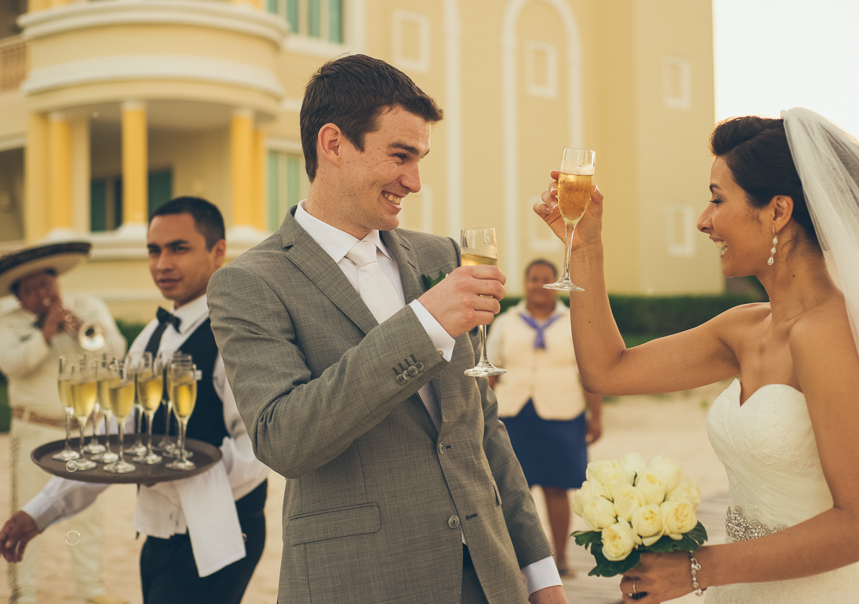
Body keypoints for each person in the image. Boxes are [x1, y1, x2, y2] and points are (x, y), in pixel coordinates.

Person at [534, 108, 859, 603]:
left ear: (777, 211)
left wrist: (695, 569)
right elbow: (606, 369)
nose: (704, 222)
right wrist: (586, 244)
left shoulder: (828, 334)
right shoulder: (744, 328)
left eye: (716, 199)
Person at [207, 54, 567, 604]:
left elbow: (483, 427)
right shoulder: (248, 282)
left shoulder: (440, 255)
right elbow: (285, 440)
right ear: (333, 144)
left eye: (420, 159)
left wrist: (540, 575)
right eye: (400, 156)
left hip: (491, 579)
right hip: (360, 582)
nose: (415, 181)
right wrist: (422, 326)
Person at [0, 197, 271, 604]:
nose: (162, 263)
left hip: (220, 534)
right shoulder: (150, 337)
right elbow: (114, 436)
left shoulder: (237, 333)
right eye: (153, 249)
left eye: (179, 248)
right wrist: (39, 511)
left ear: (218, 252)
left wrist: (175, 471)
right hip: (158, 533)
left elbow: (260, 448)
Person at [0, 241, 127, 604]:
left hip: (85, 432)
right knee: (26, 512)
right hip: (34, 432)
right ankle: (23, 592)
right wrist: (44, 333)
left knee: (87, 517)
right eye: (31, 289)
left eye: (47, 284)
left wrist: (78, 329)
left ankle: (92, 590)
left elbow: (115, 354)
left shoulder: (88, 307)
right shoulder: (5, 322)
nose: (42, 293)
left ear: (57, 282)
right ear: (19, 296)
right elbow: (12, 364)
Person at [486, 259, 602, 576]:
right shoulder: (506, 321)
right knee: (512, 491)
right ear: (525, 284)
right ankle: (519, 561)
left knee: (556, 488)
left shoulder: (573, 321)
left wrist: (596, 417)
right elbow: (490, 372)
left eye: (545, 279)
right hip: (514, 416)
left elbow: (590, 373)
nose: (539, 285)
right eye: (533, 279)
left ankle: (561, 558)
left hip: (562, 414)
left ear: (555, 284)